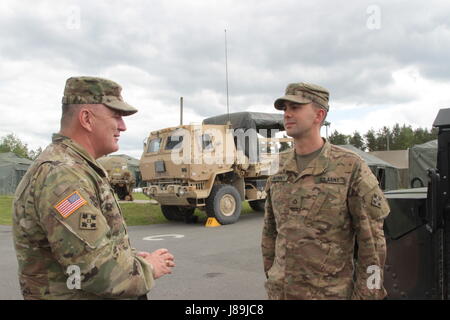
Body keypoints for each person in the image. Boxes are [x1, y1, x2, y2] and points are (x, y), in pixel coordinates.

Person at [12, 76, 175, 300]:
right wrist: (149, 268)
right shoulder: (63, 175)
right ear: (87, 119)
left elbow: (87, 251)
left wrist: (131, 260)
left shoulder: (75, 168)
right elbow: (99, 271)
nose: (123, 126)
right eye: (116, 116)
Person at [261, 82, 390, 300]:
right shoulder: (278, 165)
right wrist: (272, 276)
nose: (287, 114)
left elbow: (373, 245)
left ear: (319, 115)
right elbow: (270, 231)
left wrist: (368, 295)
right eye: (285, 109)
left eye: (296, 108)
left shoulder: (350, 167)